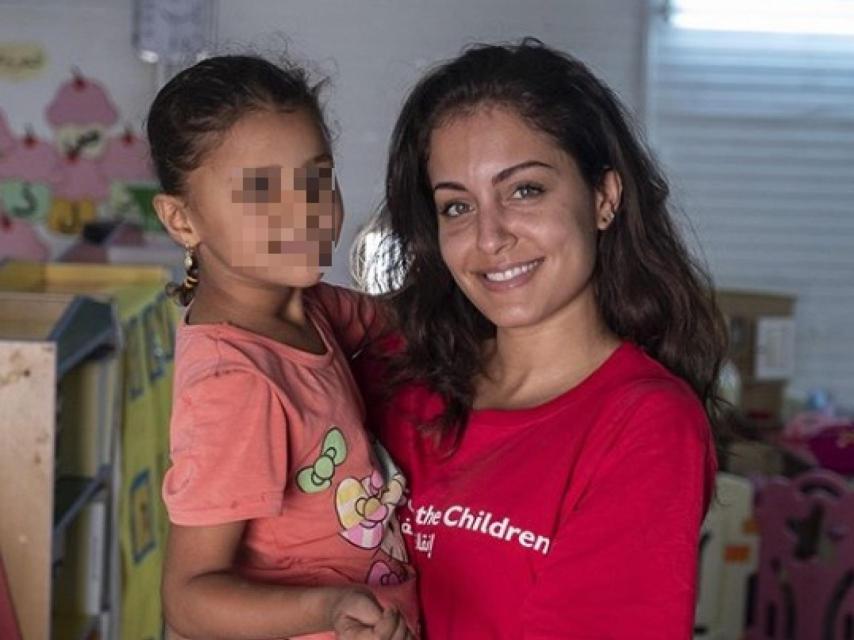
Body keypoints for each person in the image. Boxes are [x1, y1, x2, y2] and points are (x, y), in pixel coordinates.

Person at [358, 39, 727, 639]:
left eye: (524, 190)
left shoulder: (647, 424)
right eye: (456, 207)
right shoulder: (396, 376)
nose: (490, 237)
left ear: (604, 198)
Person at [147, 54, 417, 640]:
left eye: (317, 179)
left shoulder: (306, 307)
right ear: (181, 220)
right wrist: (326, 609)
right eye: (261, 190)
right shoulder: (235, 384)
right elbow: (188, 598)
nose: (304, 211)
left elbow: (407, 320)